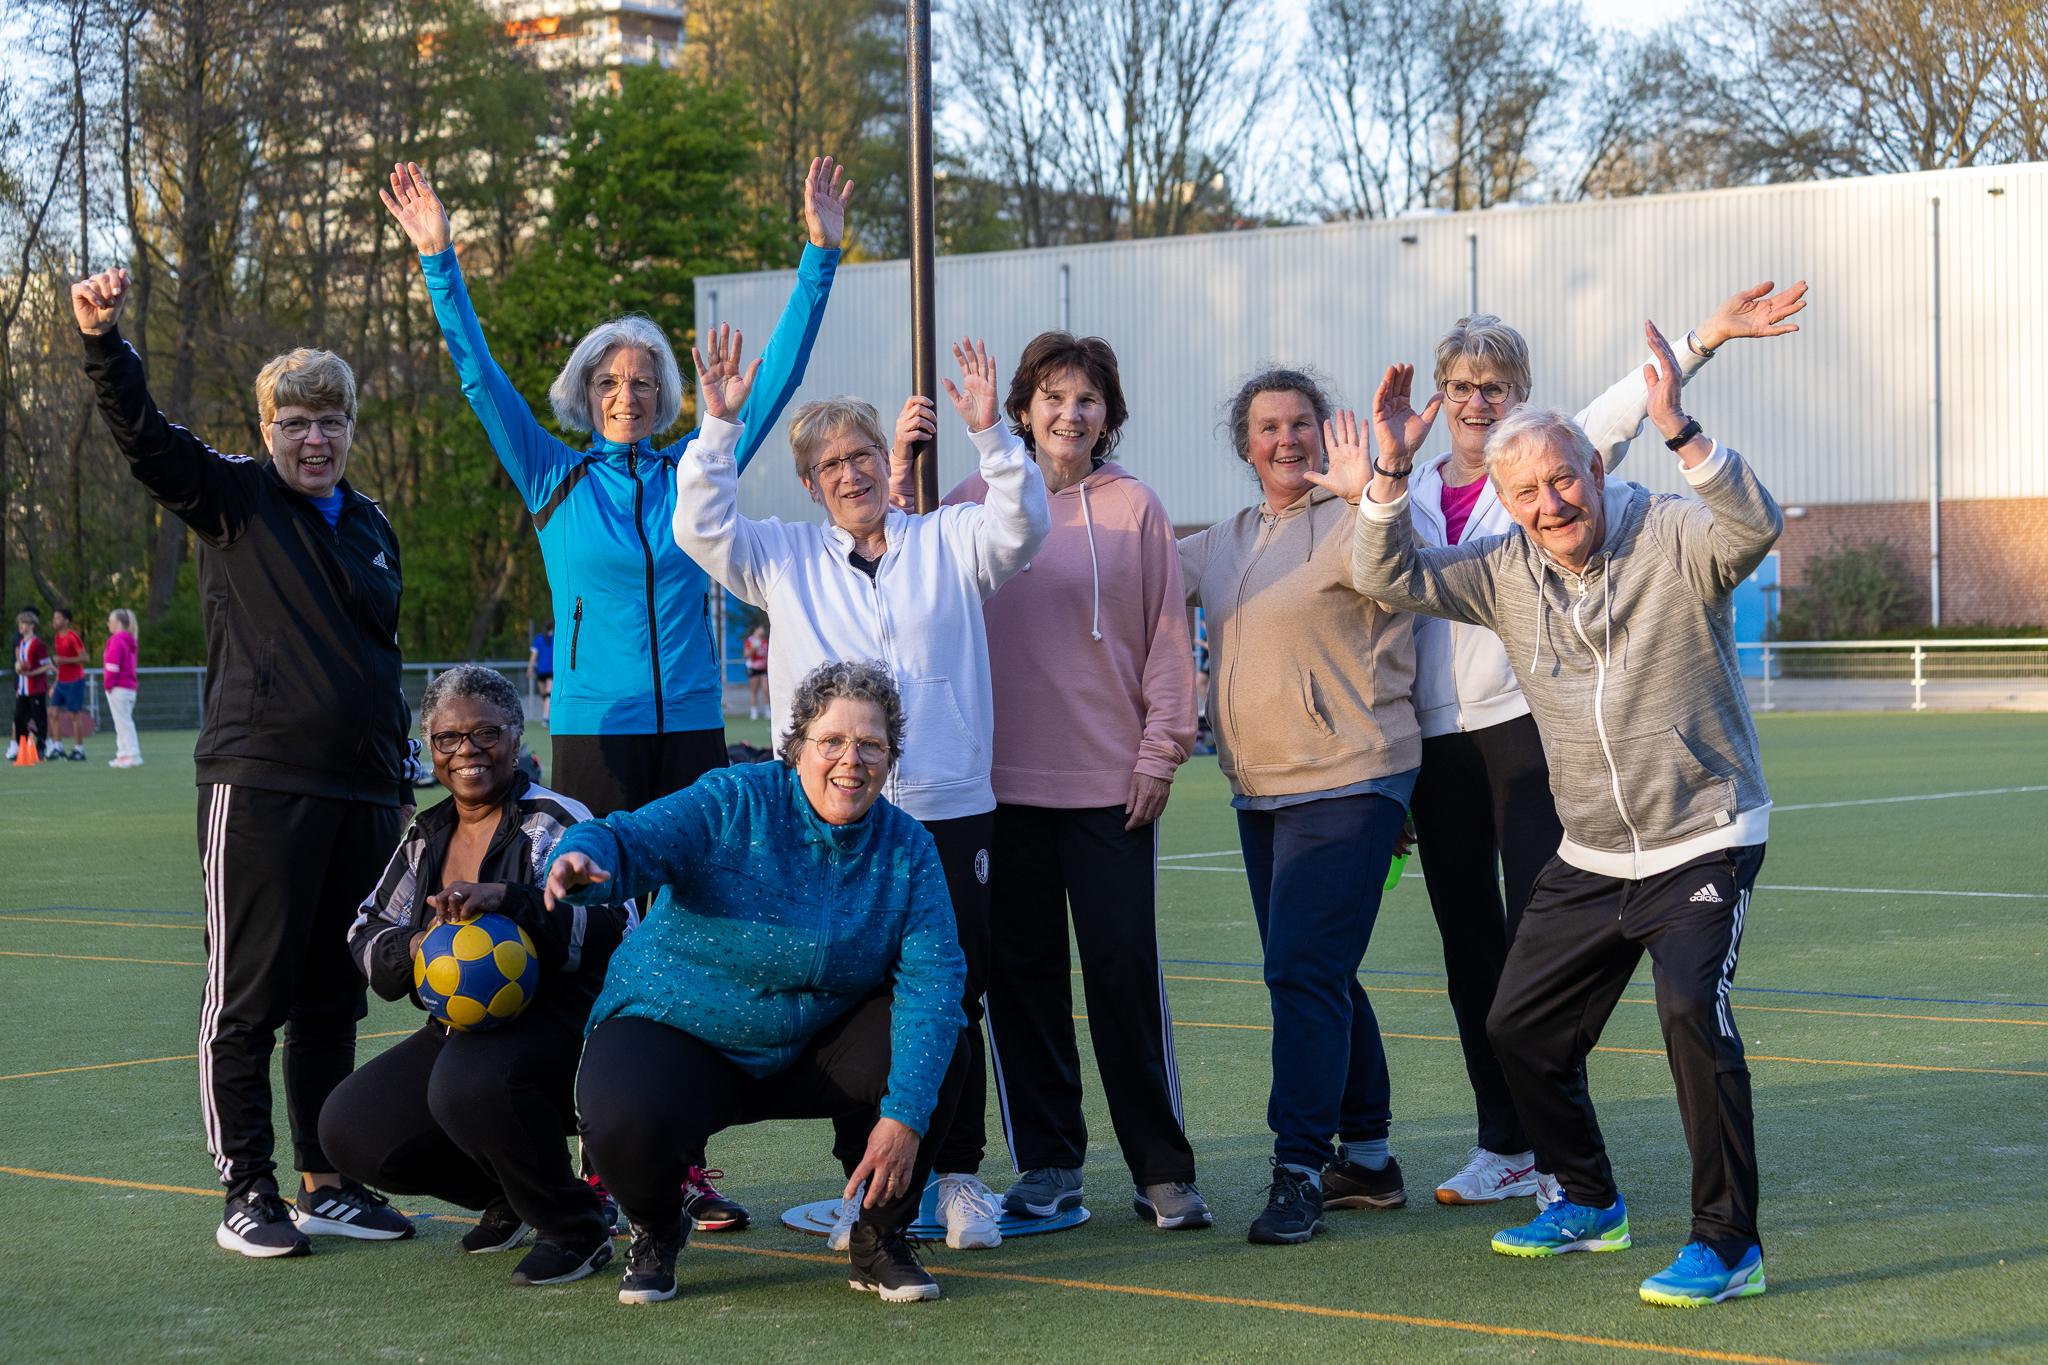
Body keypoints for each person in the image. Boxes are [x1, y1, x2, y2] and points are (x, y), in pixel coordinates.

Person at [1351, 320, 1783, 1308]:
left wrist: (1684, 433)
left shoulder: (1669, 532)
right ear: (1502, 505)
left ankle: (1727, 1242)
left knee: (1688, 1012)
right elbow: (1385, 573)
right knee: (1516, 1026)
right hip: (1591, 853)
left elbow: (1750, 528)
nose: (1550, 504)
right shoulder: (1504, 571)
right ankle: (1584, 1199)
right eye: (1525, 494)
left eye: (1562, 480)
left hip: (1700, 836)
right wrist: (1384, 475)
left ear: (1592, 466)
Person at [671, 333, 1049, 1250]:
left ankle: (956, 1175)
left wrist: (991, 433)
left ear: (891, 462)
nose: (850, 473)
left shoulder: (950, 539)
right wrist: (718, 425)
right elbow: (698, 525)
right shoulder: (783, 557)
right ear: (808, 483)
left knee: (953, 993)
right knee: (857, 1000)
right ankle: (874, 1189)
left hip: (950, 805)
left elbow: (1023, 522)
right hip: (837, 822)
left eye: (863, 456)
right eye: (831, 463)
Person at [72, 267, 416, 1259]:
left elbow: (375, 660)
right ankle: (248, 1190)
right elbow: (147, 440)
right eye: (296, 422)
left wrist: (395, 776)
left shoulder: (373, 526)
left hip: (361, 793)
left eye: (331, 422)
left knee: (331, 998)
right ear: (267, 431)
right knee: (248, 996)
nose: (315, 439)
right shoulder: (232, 499)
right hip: (259, 785)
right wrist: (105, 346)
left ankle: (325, 1182)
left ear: (351, 429)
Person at [380, 157, 848, 816]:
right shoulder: (553, 475)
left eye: (642, 381)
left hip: (691, 722)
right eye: (609, 382)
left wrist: (819, 254)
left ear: (664, 398)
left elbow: (777, 380)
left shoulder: (696, 468)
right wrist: (438, 257)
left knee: (694, 909)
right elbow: (479, 377)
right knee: (598, 914)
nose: (626, 395)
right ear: (586, 394)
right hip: (593, 729)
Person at [560, 660, 970, 1306]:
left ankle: (879, 1239)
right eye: (832, 741)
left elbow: (936, 981)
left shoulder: (908, 848)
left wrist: (904, 1114)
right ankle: (659, 1225)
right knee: (616, 1113)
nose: (851, 760)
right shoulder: (735, 799)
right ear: (796, 746)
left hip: (813, 1048)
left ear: (891, 757)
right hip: (684, 1026)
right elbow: (632, 837)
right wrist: (590, 860)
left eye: (871, 744)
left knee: (939, 1045)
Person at [924, 332, 1206, 1230]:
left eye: (1087, 400)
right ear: (1021, 410)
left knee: (1125, 974)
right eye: (1052, 397)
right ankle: (1049, 1166)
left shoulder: (1136, 509)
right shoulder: (970, 504)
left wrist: (1163, 748)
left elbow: (1168, 635)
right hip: (997, 791)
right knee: (1022, 980)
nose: (1069, 414)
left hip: (1112, 785)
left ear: (1107, 416)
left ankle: (1162, 1168)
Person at [1179, 367, 1422, 1247]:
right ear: (1246, 444)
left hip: (1354, 776)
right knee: (1322, 972)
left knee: (1299, 973)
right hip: (1262, 790)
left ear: (1325, 432)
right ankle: (1370, 1159)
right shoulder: (1222, 542)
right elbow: (1123, 581)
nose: (1287, 439)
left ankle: (1298, 1168)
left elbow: (1400, 568)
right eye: (1268, 426)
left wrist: (1379, 490)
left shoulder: (1357, 520)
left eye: (1301, 423)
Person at [323, 665, 632, 1288]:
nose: (467, 751)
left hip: (571, 1016)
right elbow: (364, 928)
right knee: (350, 1129)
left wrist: (510, 900)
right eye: (447, 739)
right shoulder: (427, 833)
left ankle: (576, 1225)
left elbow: (609, 925)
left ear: (517, 740)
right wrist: (416, 945)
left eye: (486, 734)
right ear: (431, 749)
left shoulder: (552, 819)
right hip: (464, 1023)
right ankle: (513, 1197)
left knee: (466, 1085)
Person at [10, 609, 53, 761]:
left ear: (32, 625)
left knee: (39, 719)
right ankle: (22, 748)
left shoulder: (37, 643)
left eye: (24, 623)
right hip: (23, 689)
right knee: (18, 718)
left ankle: (41, 749)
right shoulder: (21, 642)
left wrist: (31, 673)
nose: (20, 626)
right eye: (20, 623)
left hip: (36, 688)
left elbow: (47, 665)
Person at [103, 608, 143, 768]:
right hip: (128, 687)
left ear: (119, 623)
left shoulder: (116, 640)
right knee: (121, 722)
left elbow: (113, 665)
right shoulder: (129, 640)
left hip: (119, 687)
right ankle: (123, 753)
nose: (108, 624)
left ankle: (133, 753)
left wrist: (108, 685)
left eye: (111, 621)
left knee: (123, 722)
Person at [48, 607, 89, 761]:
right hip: (62, 681)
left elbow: (85, 658)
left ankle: (79, 750)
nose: (54, 621)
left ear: (66, 621)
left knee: (74, 714)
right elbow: (60, 664)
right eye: (54, 618)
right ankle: (58, 747)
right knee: (52, 711)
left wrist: (63, 660)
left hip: (75, 680)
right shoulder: (57, 637)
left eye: (58, 618)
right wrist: (55, 684)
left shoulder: (72, 637)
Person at [527, 623, 554, 725]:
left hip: (541, 670)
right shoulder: (555, 638)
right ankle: (546, 717)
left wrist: (529, 668)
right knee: (546, 695)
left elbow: (533, 656)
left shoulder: (538, 638)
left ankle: (546, 716)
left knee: (546, 694)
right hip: (550, 670)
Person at [743, 624, 769, 719]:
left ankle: (767, 711)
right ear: (756, 629)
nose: (762, 630)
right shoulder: (750, 641)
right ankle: (754, 711)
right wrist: (753, 648)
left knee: (766, 689)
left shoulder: (764, 641)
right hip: (754, 668)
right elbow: (746, 655)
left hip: (763, 668)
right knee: (754, 690)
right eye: (760, 628)